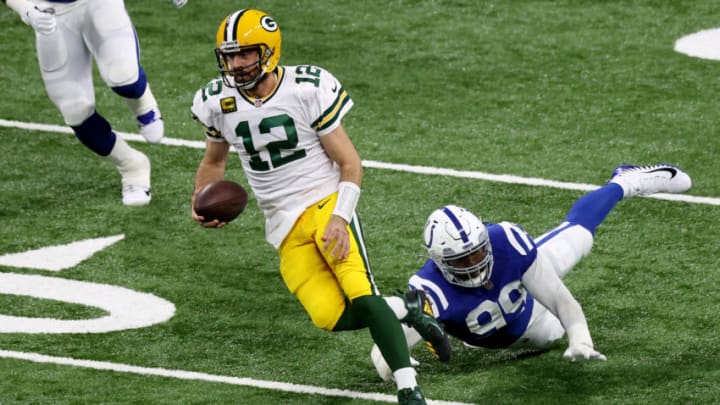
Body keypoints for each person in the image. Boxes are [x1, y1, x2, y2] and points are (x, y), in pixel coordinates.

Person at [189, 8, 450, 405]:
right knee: (328, 316)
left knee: (361, 294)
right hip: (281, 220)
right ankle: (407, 306)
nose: (236, 64)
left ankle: (409, 388)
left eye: (245, 54)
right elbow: (214, 162)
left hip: (326, 199)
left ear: (269, 52)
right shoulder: (215, 100)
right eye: (229, 55)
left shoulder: (307, 88)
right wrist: (202, 198)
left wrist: (340, 218)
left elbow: (350, 164)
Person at [371, 164, 692, 380]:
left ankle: (625, 181)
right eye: (462, 261)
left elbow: (560, 299)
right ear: (440, 263)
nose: (474, 264)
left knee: (578, 236)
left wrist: (581, 340)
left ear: (486, 238)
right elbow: (386, 347)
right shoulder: (430, 289)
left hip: (529, 300)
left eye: (478, 253)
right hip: (501, 337)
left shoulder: (506, 244)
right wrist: (395, 367)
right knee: (550, 336)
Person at [2, 0, 187, 205]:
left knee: (124, 78)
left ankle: (144, 105)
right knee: (75, 111)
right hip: (50, 14)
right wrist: (26, 9)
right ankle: (132, 166)